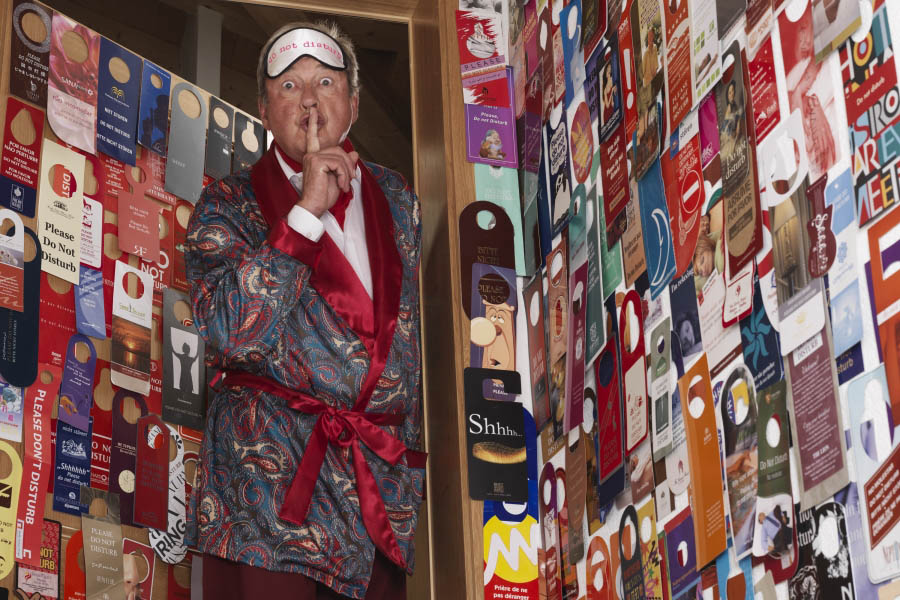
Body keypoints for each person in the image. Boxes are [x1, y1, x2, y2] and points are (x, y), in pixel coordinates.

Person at [184, 22, 425, 600]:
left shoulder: (398, 199)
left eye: (326, 82)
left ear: (355, 104)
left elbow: (408, 351)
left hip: (375, 500)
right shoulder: (227, 203)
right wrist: (306, 212)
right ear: (264, 110)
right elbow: (227, 333)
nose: (310, 100)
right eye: (290, 86)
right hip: (266, 502)